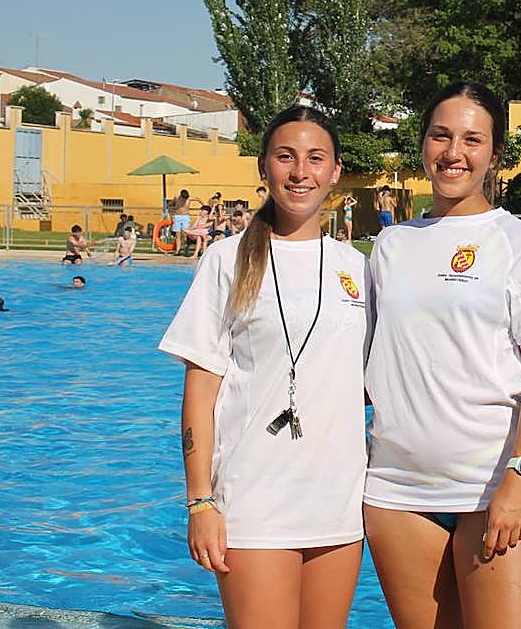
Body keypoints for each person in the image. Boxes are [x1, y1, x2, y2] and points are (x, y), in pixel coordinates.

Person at [158, 105, 373, 628]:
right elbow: (200, 393)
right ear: (264, 167)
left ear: (336, 171)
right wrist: (200, 503)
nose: (301, 172)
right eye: (286, 157)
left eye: (316, 158)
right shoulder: (226, 260)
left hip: (338, 505)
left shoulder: (358, 269)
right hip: (255, 503)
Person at [363, 81, 521, 629]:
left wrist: (520, 478)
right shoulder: (390, 246)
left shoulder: (519, 243)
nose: (454, 153)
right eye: (441, 136)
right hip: (396, 492)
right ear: (423, 143)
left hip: (495, 485)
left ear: (494, 154)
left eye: (472, 140)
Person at [171, 189, 192, 256]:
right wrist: (168, 206)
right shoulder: (177, 197)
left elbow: (198, 199)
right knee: (178, 234)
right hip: (177, 216)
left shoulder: (189, 198)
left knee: (185, 234)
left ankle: (186, 251)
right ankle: (178, 250)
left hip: (185, 216)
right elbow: (172, 203)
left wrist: (204, 206)